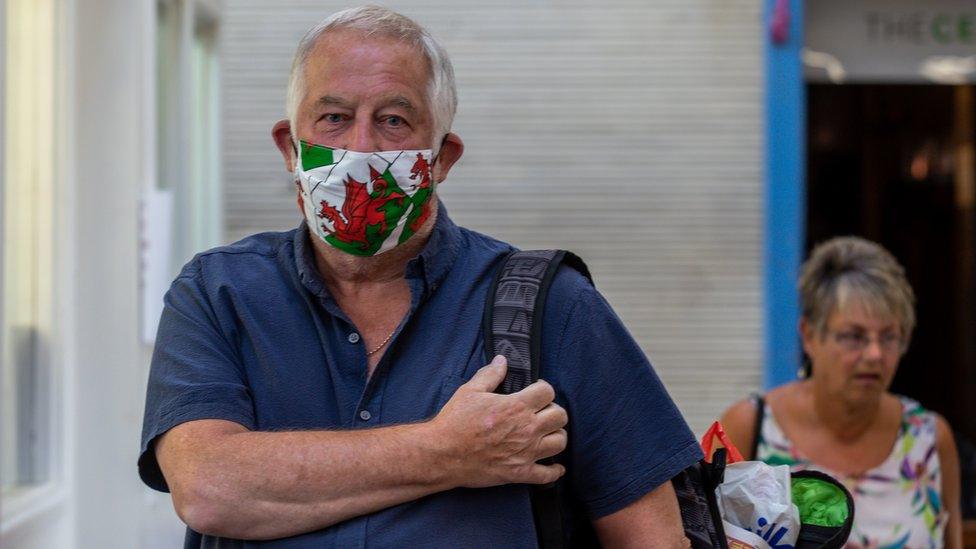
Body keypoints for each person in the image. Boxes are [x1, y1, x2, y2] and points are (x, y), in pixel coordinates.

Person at [139, 6, 702, 547]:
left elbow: (653, 538)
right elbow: (209, 488)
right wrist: (447, 451)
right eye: (334, 118)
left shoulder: (553, 308)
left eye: (393, 121)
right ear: (290, 147)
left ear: (441, 159)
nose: (360, 148)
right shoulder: (218, 295)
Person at [720, 236, 963, 548]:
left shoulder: (929, 439)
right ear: (809, 335)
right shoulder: (751, 427)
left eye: (889, 336)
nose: (875, 354)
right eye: (854, 336)